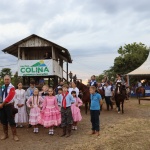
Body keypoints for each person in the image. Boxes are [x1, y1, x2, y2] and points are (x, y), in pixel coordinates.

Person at [0, 75, 19, 141]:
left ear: (10, 80)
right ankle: (6, 135)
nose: (6, 80)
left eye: (8, 79)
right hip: (2, 106)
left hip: (9, 105)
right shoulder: (2, 87)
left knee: (11, 120)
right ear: (3, 80)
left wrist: (2, 104)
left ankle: (15, 135)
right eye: (5, 79)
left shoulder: (12, 87)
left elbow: (10, 97)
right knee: (3, 120)